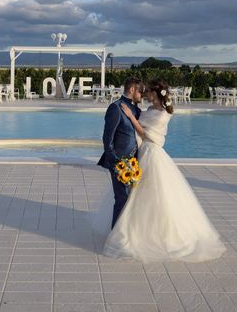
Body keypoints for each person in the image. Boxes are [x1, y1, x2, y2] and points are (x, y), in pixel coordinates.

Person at [96, 79, 226, 263]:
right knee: (132, 198)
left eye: (148, 92)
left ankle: (149, 236)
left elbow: (146, 134)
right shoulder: (143, 110)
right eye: (143, 91)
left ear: (156, 94)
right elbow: (113, 135)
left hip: (152, 155)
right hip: (137, 156)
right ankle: (125, 234)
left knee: (153, 197)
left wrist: (132, 118)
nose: (145, 95)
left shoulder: (162, 114)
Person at [97, 77, 144, 228]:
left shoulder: (137, 110)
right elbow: (107, 139)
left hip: (135, 163)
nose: (142, 95)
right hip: (119, 163)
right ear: (132, 90)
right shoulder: (115, 108)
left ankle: (125, 233)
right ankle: (114, 236)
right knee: (122, 198)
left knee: (131, 200)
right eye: (140, 92)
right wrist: (117, 162)